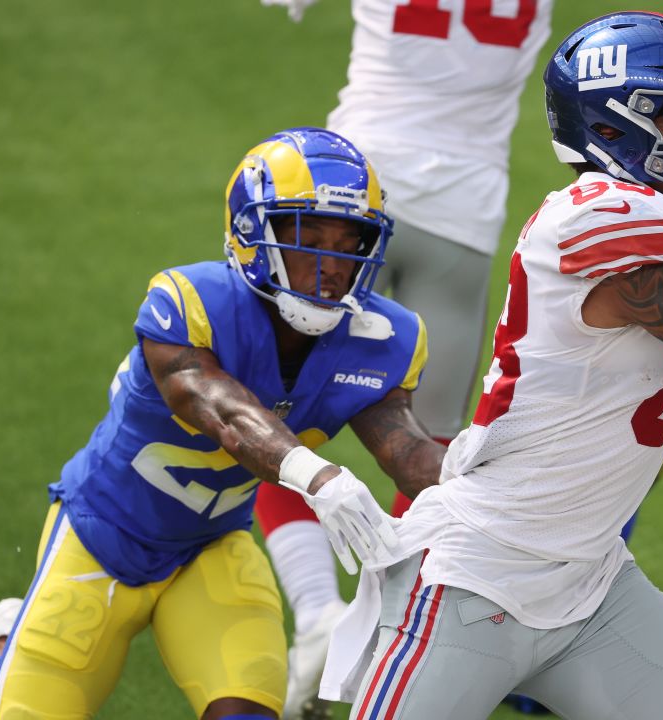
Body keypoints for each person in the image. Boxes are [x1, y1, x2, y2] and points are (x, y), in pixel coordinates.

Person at [313, 12, 663, 719]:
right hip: (479, 579)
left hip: (593, 590)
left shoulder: (646, 219)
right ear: (615, 131)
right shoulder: (603, 215)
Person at [0, 127, 439, 720]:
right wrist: (317, 479)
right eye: (309, 238)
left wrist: (512, 482)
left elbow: (410, 454)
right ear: (252, 236)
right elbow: (224, 411)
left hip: (211, 549)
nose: (333, 265)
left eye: (351, 241)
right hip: (99, 539)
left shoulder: (379, 340)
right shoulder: (189, 302)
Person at [255, 2, 556, 716]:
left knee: (271, 412)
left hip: (349, 192)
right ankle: (382, 636)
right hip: (464, 211)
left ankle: (318, 614)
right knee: (431, 449)